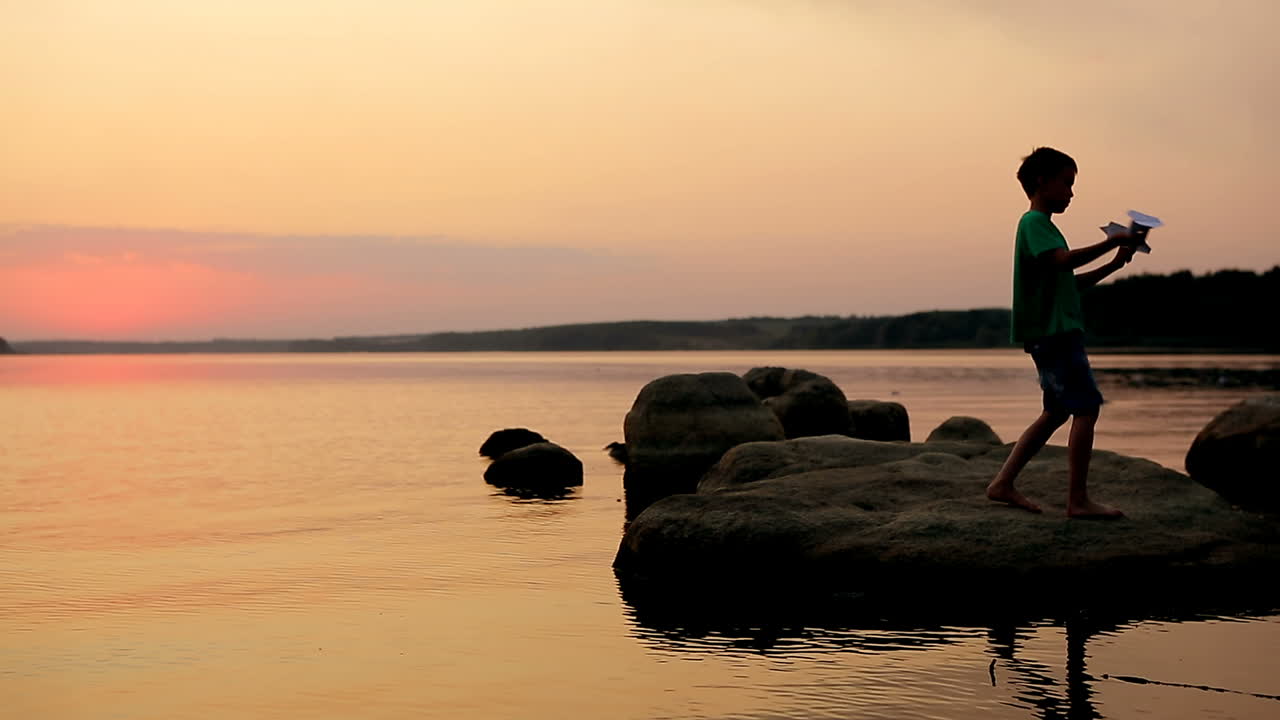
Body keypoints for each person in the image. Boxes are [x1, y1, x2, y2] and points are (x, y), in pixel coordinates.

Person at [986, 147, 1138, 518]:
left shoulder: (1044, 227)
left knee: (1055, 412)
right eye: (1067, 183)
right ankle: (1078, 500)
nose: (1071, 193)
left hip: (1052, 332)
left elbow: (1069, 282)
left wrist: (1114, 263)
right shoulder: (1034, 223)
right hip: (1055, 335)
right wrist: (1111, 240)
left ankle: (1002, 484)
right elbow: (1063, 261)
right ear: (1042, 181)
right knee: (1086, 408)